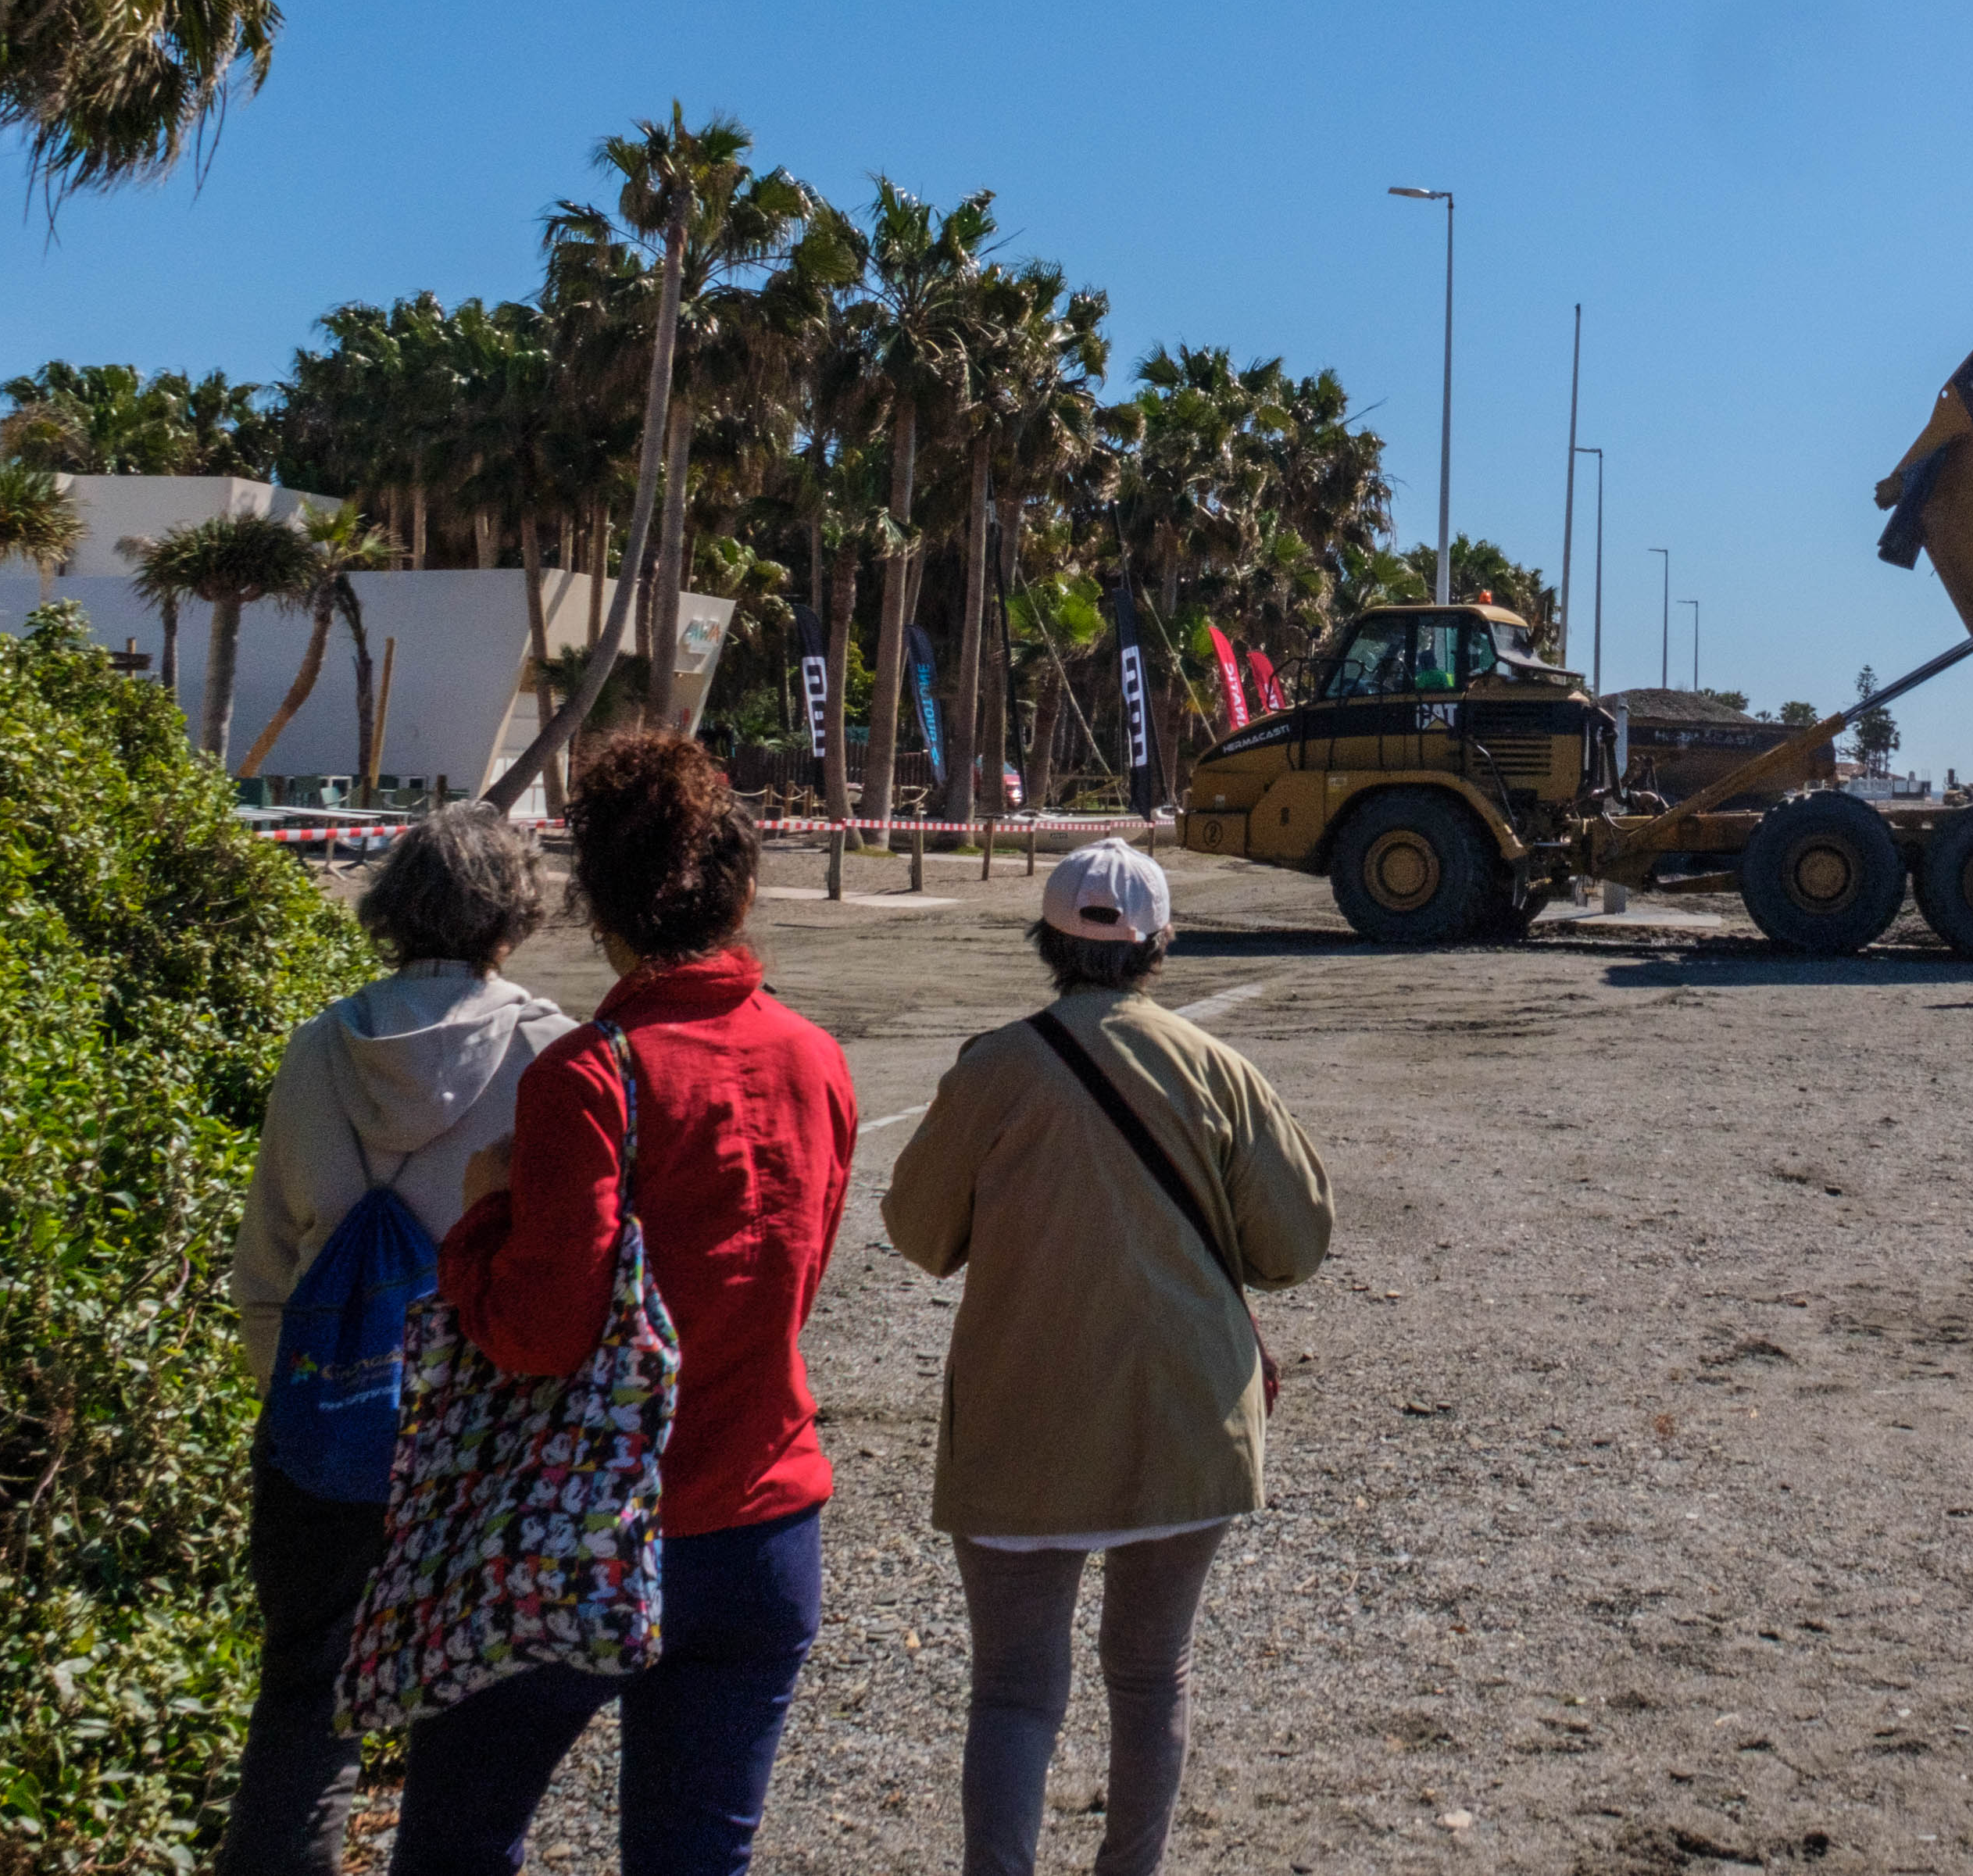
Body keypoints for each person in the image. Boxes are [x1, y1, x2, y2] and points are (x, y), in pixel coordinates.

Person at [388, 734, 856, 1876]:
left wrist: (483, 1218)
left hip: (592, 1526)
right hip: (764, 1521)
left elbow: (543, 1330)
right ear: (741, 889)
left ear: (595, 897)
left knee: (456, 1837)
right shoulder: (816, 1058)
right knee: (697, 1855)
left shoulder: (590, 1077)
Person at [885, 838, 1332, 1876]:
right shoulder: (1218, 1069)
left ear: (1045, 937)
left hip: (1020, 1422)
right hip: (1185, 1418)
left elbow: (917, 1232)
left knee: (1011, 1690)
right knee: (1149, 1673)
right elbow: (1296, 1245)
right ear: (1160, 944)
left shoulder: (992, 1066)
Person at [223, 805, 572, 1876]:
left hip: (327, 1428)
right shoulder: (549, 1053)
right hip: (481, 1435)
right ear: (513, 911)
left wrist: (291, 1402)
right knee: (466, 1722)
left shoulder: (319, 1045)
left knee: (302, 1701)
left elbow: (269, 1250)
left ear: (388, 903)